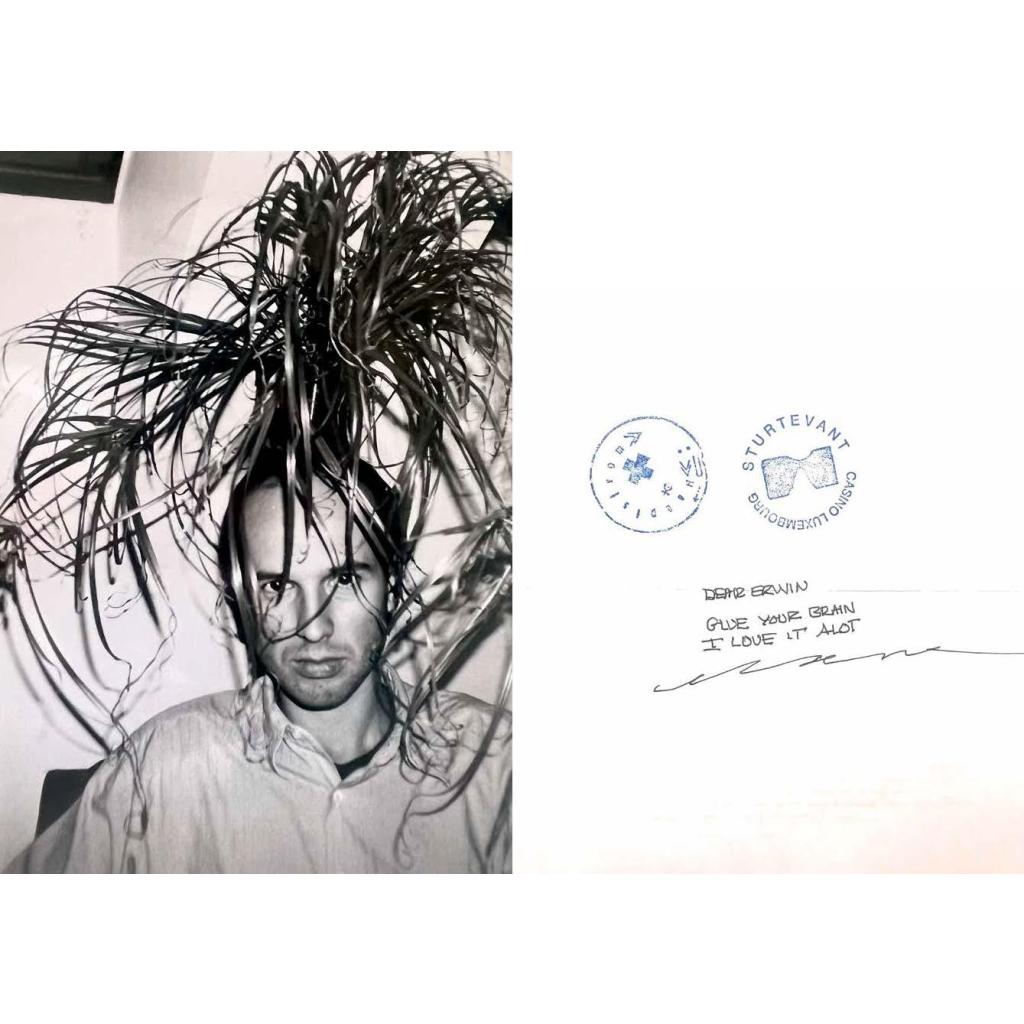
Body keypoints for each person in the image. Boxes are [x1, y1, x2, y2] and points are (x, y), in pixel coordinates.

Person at [5, 452, 511, 873]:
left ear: (394, 586)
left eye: (343, 579)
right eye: (277, 585)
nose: (313, 627)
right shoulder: (158, 769)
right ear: (241, 602)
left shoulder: (497, 764)